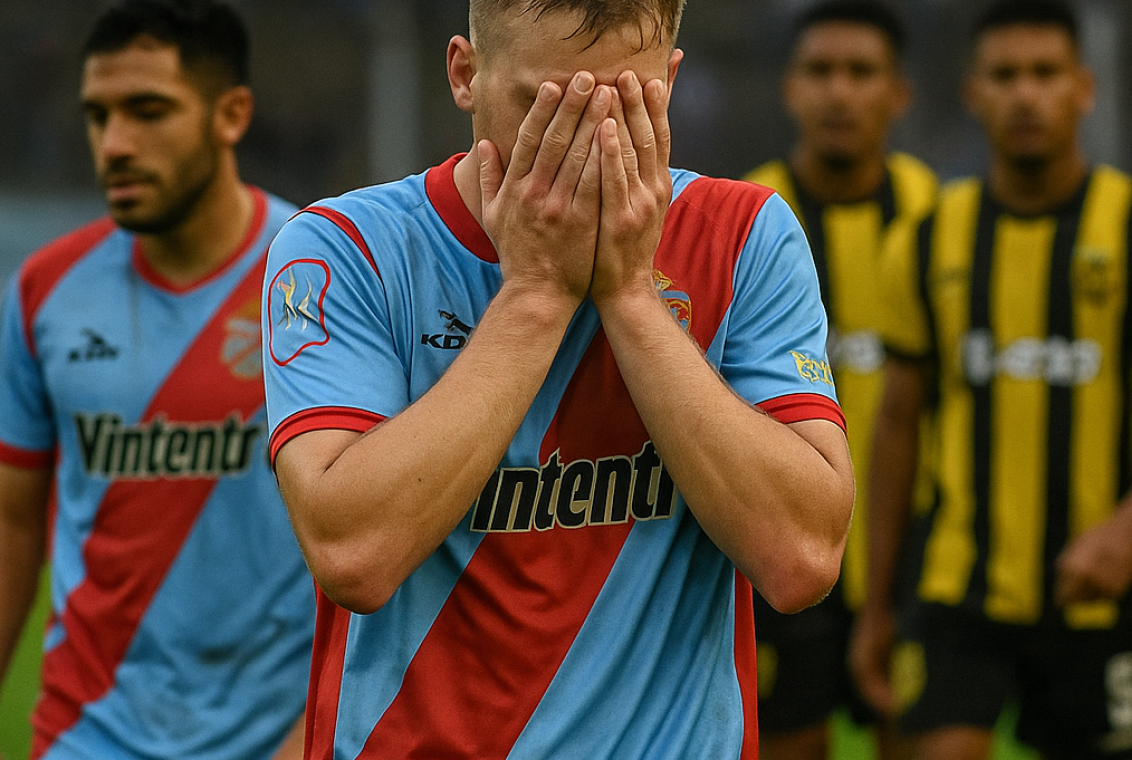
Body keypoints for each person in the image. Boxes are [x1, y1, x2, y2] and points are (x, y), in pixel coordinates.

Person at [261, 1, 855, 757]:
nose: (586, 143)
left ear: (670, 85)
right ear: (465, 75)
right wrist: (536, 294)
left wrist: (630, 296)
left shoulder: (746, 236)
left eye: (622, 106)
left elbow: (802, 559)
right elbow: (353, 555)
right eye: (547, 104)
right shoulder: (346, 249)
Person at [0, 1, 314, 758]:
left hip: (276, 739)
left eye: (147, 112)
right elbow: (10, 523)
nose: (114, 144)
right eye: (97, 115)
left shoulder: (319, 276)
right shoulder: (44, 291)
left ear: (231, 115)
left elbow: (392, 542)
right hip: (85, 736)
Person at [849, 1, 1132, 759]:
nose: (1026, 95)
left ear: (1084, 88)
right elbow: (897, 426)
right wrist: (878, 604)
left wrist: (1128, 531)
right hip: (959, 590)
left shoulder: (1131, 228)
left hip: (1109, 597)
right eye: (1005, 76)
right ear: (973, 93)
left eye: (1045, 73)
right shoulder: (927, 240)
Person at [742, 2, 937, 759]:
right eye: (821, 71)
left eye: (862, 72)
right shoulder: (747, 219)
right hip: (783, 536)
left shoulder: (937, 217)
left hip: (919, 546)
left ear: (900, 93)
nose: (840, 92)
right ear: (790, 89)